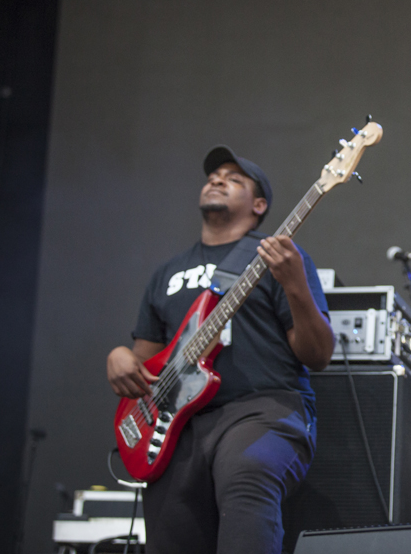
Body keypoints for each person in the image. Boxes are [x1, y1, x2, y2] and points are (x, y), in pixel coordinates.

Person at [106, 145, 335, 554]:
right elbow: (144, 358)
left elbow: (317, 355)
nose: (217, 180)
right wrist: (120, 358)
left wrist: (295, 284)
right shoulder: (168, 273)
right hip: (177, 427)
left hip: (262, 409)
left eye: (234, 179)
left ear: (259, 204)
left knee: (247, 474)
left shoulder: (277, 258)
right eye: (214, 175)